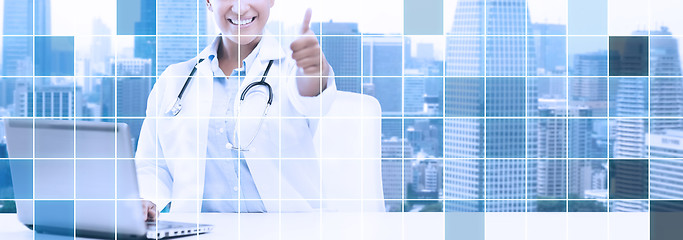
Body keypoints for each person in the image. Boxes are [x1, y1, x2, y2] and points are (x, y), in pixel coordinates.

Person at [135, 0, 336, 221]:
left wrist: (315, 70)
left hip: (287, 229)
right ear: (209, 3)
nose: (240, 8)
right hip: (199, 232)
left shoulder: (291, 71)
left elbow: (310, 95)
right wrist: (147, 200)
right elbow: (153, 163)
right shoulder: (174, 80)